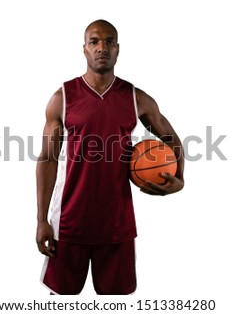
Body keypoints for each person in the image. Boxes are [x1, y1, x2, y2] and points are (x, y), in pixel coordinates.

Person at [36, 19, 184, 295]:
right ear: (84, 49)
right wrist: (41, 220)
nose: (101, 47)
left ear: (118, 49)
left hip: (118, 225)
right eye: (94, 41)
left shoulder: (136, 98)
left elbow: (171, 139)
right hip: (68, 223)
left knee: (116, 301)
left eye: (109, 41)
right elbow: (47, 159)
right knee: (61, 300)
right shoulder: (63, 97)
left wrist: (180, 179)